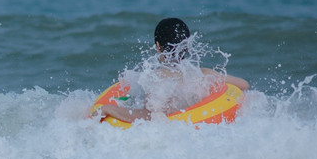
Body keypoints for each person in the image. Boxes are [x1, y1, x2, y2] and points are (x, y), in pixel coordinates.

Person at [98, 18, 249, 123]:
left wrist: (109, 109)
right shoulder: (204, 74)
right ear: (187, 45)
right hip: (200, 126)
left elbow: (149, 117)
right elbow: (243, 85)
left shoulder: (157, 77)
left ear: (158, 46)